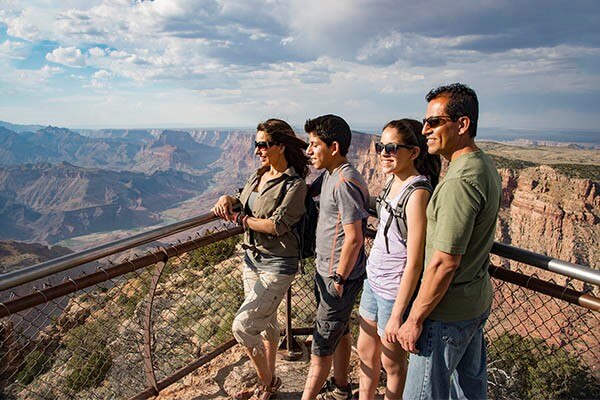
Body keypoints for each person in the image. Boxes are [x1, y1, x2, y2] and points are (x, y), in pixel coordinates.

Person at [397, 83, 502, 400]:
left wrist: (414, 319)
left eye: (434, 122)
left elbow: (444, 262)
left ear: (463, 124)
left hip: (446, 316)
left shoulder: (460, 180)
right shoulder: (482, 165)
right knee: (467, 392)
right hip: (474, 302)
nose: (424, 129)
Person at [212, 118, 310, 400]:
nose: (257, 150)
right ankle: (268, 386)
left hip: (278, 263)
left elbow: (277, 225)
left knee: (243, 326)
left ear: (280, 146)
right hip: (252, 259)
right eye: (256, 144)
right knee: (265, 322)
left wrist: (240, 219)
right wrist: (226, 197)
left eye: (263, 144)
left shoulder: (295, 185)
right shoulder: (259, 175)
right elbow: (242, 199)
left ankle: (268, 381)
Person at [356, 119, 440, 400]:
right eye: (381, 146)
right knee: (366, 354)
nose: (382, 153)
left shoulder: (417, 193)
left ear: (414, 152)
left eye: (391, 148)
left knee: (392, 364)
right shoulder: (393, 180)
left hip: (394, 292)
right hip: (373, 282)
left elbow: (415, 262)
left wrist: (397, 316)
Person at [301, 114, 369, 400]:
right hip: (327, 272)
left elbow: (355, 236)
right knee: (339, 333)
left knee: (320, 346)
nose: (309, 151)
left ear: (334, 147)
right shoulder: (329, 174)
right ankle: (342, 388)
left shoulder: (344, 182)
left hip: (338, 277)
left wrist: (339, 279)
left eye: (314, 144)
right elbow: (301, 191)